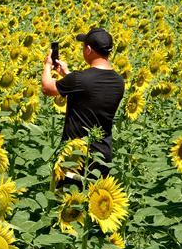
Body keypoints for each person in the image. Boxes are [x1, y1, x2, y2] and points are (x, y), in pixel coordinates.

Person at [41, 27, 124, 189]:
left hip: (76, 156)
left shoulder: (80, 79)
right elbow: (91, 91)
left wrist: (47, 65)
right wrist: (67, 74)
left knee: (69, 204)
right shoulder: (119, 81)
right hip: (102, 156)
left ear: (88, 49)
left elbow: (47, 88)